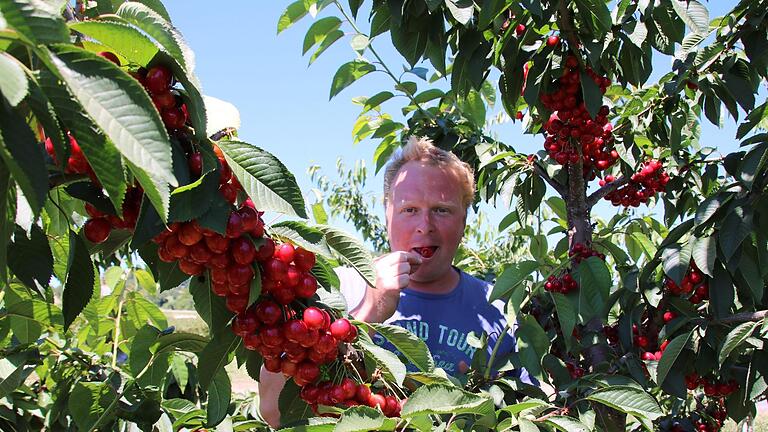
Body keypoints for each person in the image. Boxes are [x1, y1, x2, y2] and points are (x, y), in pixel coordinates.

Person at [258, 136, 527, 427]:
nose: (425, 225)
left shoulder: (499, 310)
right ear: (387, 213)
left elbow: (529, 413)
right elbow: (276, 413)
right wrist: (369, 311)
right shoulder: (331, 292)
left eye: (442, 209)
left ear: (463, 220)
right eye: (409, 209)